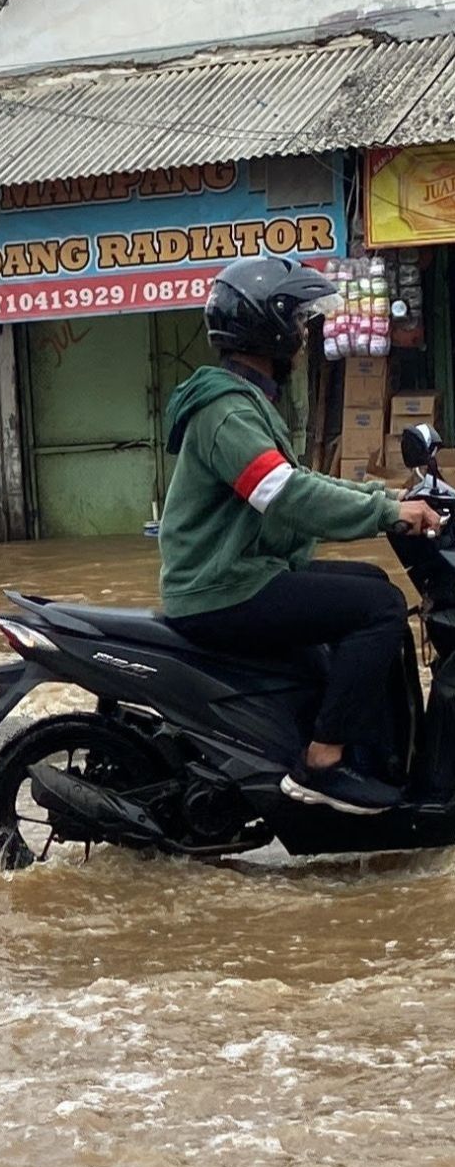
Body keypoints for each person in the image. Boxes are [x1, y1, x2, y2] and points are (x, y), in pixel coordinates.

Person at [160, 253, 442, 815]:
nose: (306, 337)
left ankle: (378, 758)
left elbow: (297, 479)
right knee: (380, 607)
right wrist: (386, 515)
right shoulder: (224, 412)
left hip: (244, 573)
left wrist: (385, 499)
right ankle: (323, 763)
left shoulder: (245, 402)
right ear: (271, 329)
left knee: (368, 584)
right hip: (222, 588)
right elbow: (285, 496)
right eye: (300, 325)